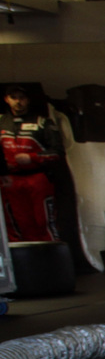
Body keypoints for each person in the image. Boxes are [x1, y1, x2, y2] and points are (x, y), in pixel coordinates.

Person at [0, 85, 63, 242]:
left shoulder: (42, 122)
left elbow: (58, 152)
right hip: (10, 181)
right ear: (6, 100)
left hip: (37, 179)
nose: (18, 102)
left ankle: (50, 258)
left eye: (22, 98)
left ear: (27, 100)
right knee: (16, 224)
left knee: (43, 222)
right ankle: (21, 263)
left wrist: (32, 157)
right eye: (14, 98)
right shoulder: (1, 122)